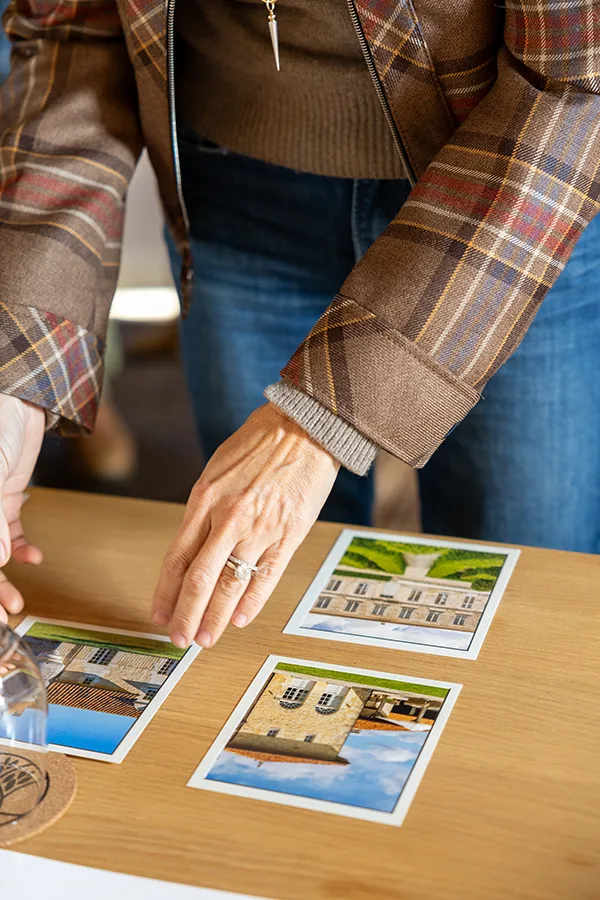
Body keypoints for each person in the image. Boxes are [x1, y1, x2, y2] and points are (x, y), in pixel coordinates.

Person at [0, 1, 598, 649]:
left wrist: (315, 421)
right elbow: (71, 28)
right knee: (253, 590)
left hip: (515, 186)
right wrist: (18, 376)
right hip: (236, 180)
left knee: (526, 589)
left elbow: (573, 86)